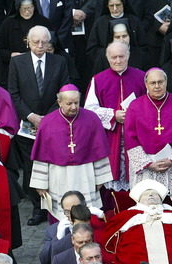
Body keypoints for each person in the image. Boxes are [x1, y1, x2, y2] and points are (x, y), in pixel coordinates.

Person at [8, 25, 69, 225]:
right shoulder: (17, 62)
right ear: (28, 42)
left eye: (44, 42)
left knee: (52, 163)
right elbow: (13, 94)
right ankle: (38, 207)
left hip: (53, 122)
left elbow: (63, 92)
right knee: (32, 165)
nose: (40, 46)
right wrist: (31, 116)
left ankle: (56, 203)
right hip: (27, 124)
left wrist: (48, 117)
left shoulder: (59, 62)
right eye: (36, 42)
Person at [30, 83, 112, 214]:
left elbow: (99, 151)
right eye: (69, 103)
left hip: (85, 174)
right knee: (60, 215)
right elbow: (42, 155)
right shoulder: (47, 122)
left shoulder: (92, 119)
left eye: (76, 103)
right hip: (57, 175)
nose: (74, 107)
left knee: (86, 213)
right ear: (59, 102)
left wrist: (100, 178)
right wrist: (41, 184)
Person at [124, 68, 172, 201]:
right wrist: (148, 163)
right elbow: (130, 138)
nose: (157, 86)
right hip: (146, 166)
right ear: (146, 85)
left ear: (166, 82)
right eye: (153, 83)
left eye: (160, 82)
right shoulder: (135, 106)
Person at [85, 41, 147, 192]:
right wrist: (113, 115)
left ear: (128, 56)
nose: (118, 61)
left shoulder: (142, 77)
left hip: (137, 137)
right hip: (109, 137)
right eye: (114, 57)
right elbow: (89, 109)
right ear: (108, 58)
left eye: (121, 56)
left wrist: (134, 115)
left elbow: (150, 105)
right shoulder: (98, 79)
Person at [39, 191, 84, 264]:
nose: (71, 216)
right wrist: (58, 238)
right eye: (67, 212)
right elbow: (45, 261)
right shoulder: (53, 230)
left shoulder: (94, 224)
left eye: (75, 210)